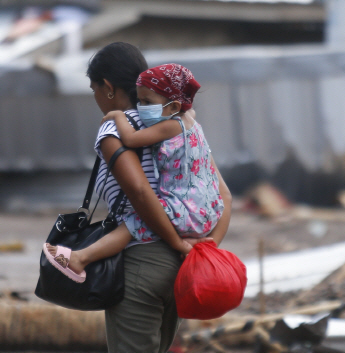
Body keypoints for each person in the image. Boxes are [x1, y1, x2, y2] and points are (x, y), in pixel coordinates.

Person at [78, 43, 233, 353]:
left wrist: (170, 243)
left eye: (93, 88)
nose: (96, 98)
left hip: (146, 259)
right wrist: (200, 251)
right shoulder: (185, 126)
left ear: (108, 87)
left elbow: (140, 194)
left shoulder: (113, 128)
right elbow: (223, 195)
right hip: (182, 265)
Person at [43, 63, 223, 280]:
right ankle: (189, 241)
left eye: (147, 102)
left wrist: (117, 116)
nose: (140, 107)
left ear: (174, 107)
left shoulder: (171, 125)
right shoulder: (190, 120)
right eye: (139, 101)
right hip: (205, 211)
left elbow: (130, 140)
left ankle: (81, 258)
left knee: (132, 223)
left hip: (183, 209)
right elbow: (227, 196)